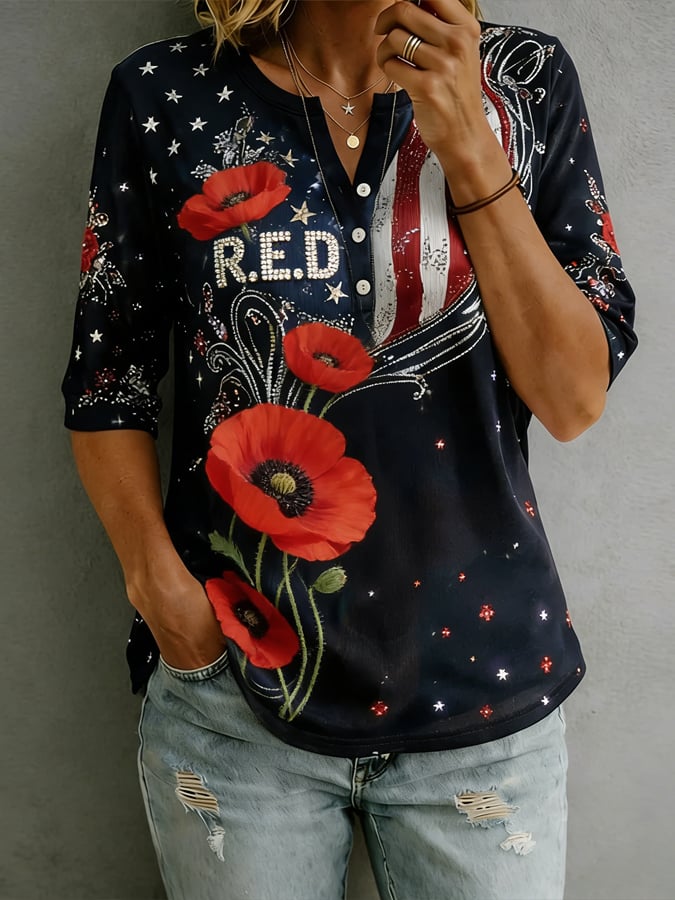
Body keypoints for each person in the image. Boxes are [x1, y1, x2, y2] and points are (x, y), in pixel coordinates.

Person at [62, 0, 637, 897]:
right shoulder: (164, 92)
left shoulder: (524, 83)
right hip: (236, 696)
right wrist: (159, 592)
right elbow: (109, 378)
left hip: (485, 697)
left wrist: (466, 138)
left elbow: (571, 402)